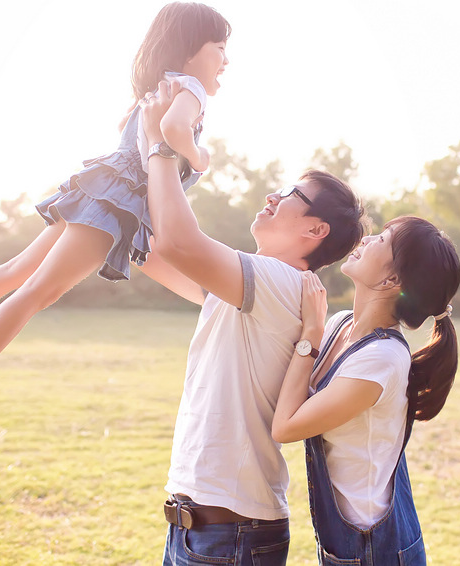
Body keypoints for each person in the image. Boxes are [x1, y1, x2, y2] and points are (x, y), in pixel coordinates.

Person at [0, 2, 230, 446]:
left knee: (18, 271)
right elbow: (172, 130)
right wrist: (198, 156)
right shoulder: (190, 89)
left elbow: (131, 133)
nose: (225, 60)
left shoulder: (156, 87)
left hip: (104, 189)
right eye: (219, 47)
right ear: (191, 51)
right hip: (120, 202)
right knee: (40, 290)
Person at [137, 79, 367, 565]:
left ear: (315, 230)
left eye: (290, 193)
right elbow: (154, 249)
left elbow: (177, 243)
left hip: (230, 534)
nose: (271, 195)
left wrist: (164, 141)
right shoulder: (248, 288)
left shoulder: (280, 282)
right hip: (206, 527)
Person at [272, 216, 460, 564]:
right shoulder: (340, 324)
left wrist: (310, 334)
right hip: (345, 542)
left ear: (392, 280)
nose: (367, 238)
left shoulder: (381, 359)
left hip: (374, 548)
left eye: (382, 239)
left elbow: (285, 426)